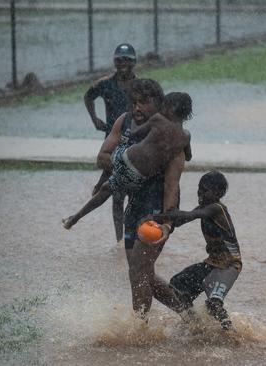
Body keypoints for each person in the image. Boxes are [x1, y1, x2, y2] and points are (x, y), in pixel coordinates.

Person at [93, 79, 187, 316]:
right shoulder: (123, 122)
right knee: (142, 273)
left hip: (158, 207)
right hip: (133, 205)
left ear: (159, 104)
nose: (137, 108)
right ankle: (189, 314)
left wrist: (167, 222)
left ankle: (140, 328)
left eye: (144, 102)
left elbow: (171, 185)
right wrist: (131, 167)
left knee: (139, 269)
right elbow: (102, 157)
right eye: (134, 102)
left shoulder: (171, 136)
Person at [62, 92, 192, 230]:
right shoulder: (186, 136)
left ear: (170, 108)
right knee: (110, 189)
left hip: (128, 160)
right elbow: (188, 156)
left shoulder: (158, 119)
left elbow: (136, 133)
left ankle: (75, 217)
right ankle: (76, 217)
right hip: (137, 172)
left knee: (107, 188)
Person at [151, 171, 242, 330]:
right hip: (212, 263)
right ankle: (195, 324)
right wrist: (158, 219)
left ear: (219, 193)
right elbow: (180, 220)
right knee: (177, 285)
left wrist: (172, 213)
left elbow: (194, 215)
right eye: (199, 189)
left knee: (214, 304)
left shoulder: (216, 208)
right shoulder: (203, 207)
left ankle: (232, 334)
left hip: (229, 266)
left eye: (206, 190)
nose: (200, 193)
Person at [84, 43, 138, 242]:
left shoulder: (140, 85)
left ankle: (133, 237)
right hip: (112, 138)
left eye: (127, 60)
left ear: (133, 62)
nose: (123, 63)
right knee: (117, 196)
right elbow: (88, 96)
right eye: (119, 60)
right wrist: (94, 119)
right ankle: (120, 240)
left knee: (131, 193)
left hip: (134, 140)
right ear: (115, 62)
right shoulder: (105, 84)